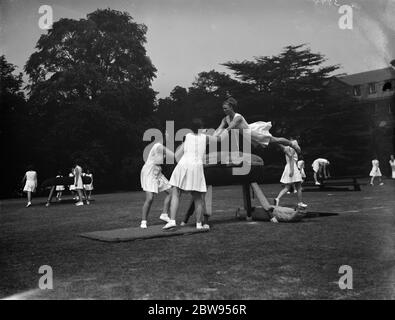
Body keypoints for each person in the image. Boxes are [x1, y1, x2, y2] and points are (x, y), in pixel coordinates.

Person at [163, 118, 222, 230]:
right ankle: (199, 224)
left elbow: (176, 156)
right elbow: (219, 138)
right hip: (197, 167)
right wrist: (223, 126)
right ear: (201, 128)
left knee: (176, 193)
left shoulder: (188, 136)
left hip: (184, 164)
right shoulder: (205, 137)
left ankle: (172, 221)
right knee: (198, 197)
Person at [214, 97, 301, 154]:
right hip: (248, 135)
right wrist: (213, 136)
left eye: (225, 108)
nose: (224, 110)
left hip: (254, 133)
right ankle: (284, 148)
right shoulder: (225, 119)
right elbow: (219, 127)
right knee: (270, 141)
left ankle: (292, 144)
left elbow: (230, 127)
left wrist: (223, 134)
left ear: (231, 107)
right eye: (223, 108)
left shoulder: (238, 117)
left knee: (274, 140)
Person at [140, 141, 174, 229]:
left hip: (157, 171)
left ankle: (164, 214)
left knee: (172, 192)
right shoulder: (157, 146)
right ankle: (143, 221)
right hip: (149, 171)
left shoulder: (161, 150)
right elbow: (172, 154)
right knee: (150, 198)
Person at [274, 143, 307, 210]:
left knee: (287, 187)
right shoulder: (290, 148)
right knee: (298, 186)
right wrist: (292, 170)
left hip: (289, 167)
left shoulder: (286, 148)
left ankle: (277, 198)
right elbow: (291, 158)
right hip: (292, 167)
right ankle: (300, 203)